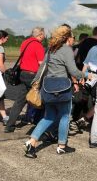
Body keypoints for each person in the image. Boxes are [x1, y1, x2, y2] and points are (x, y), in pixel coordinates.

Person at [24, 26, 84, 158]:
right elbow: (73, 71)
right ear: (67, 37)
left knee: (48, 117)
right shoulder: (67, 50)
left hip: (48, 87)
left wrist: (35, 84)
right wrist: (85, 75)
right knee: (64, 116)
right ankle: (62, 146)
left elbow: (42, 68)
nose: (73, 39)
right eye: (72, 37)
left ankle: (32, 142)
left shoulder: (51, 49)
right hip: (62, 88)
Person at [5, 27, 46, 133]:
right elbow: (41, 64)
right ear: (40, 34)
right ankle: (39, 122)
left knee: (20, 101)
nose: (44, 36)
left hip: (23, 73)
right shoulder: (38, 45)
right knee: (40, 99)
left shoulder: (25, 42)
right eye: (44, 34)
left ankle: (9, 125)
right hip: (33, 75)